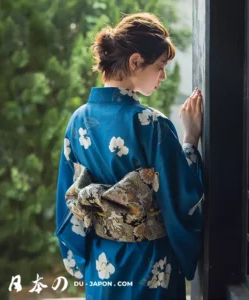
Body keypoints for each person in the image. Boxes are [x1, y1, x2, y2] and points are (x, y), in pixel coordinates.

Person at [54, 12, 204, 300]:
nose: (162, 76)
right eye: (160, 66)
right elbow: (182, 197)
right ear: (135, 62)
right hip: (149, 265)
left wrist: (82, 261)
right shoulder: (152, 124)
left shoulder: (77, 121)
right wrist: (190, 141)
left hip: (102, 263)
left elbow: (66, 197)